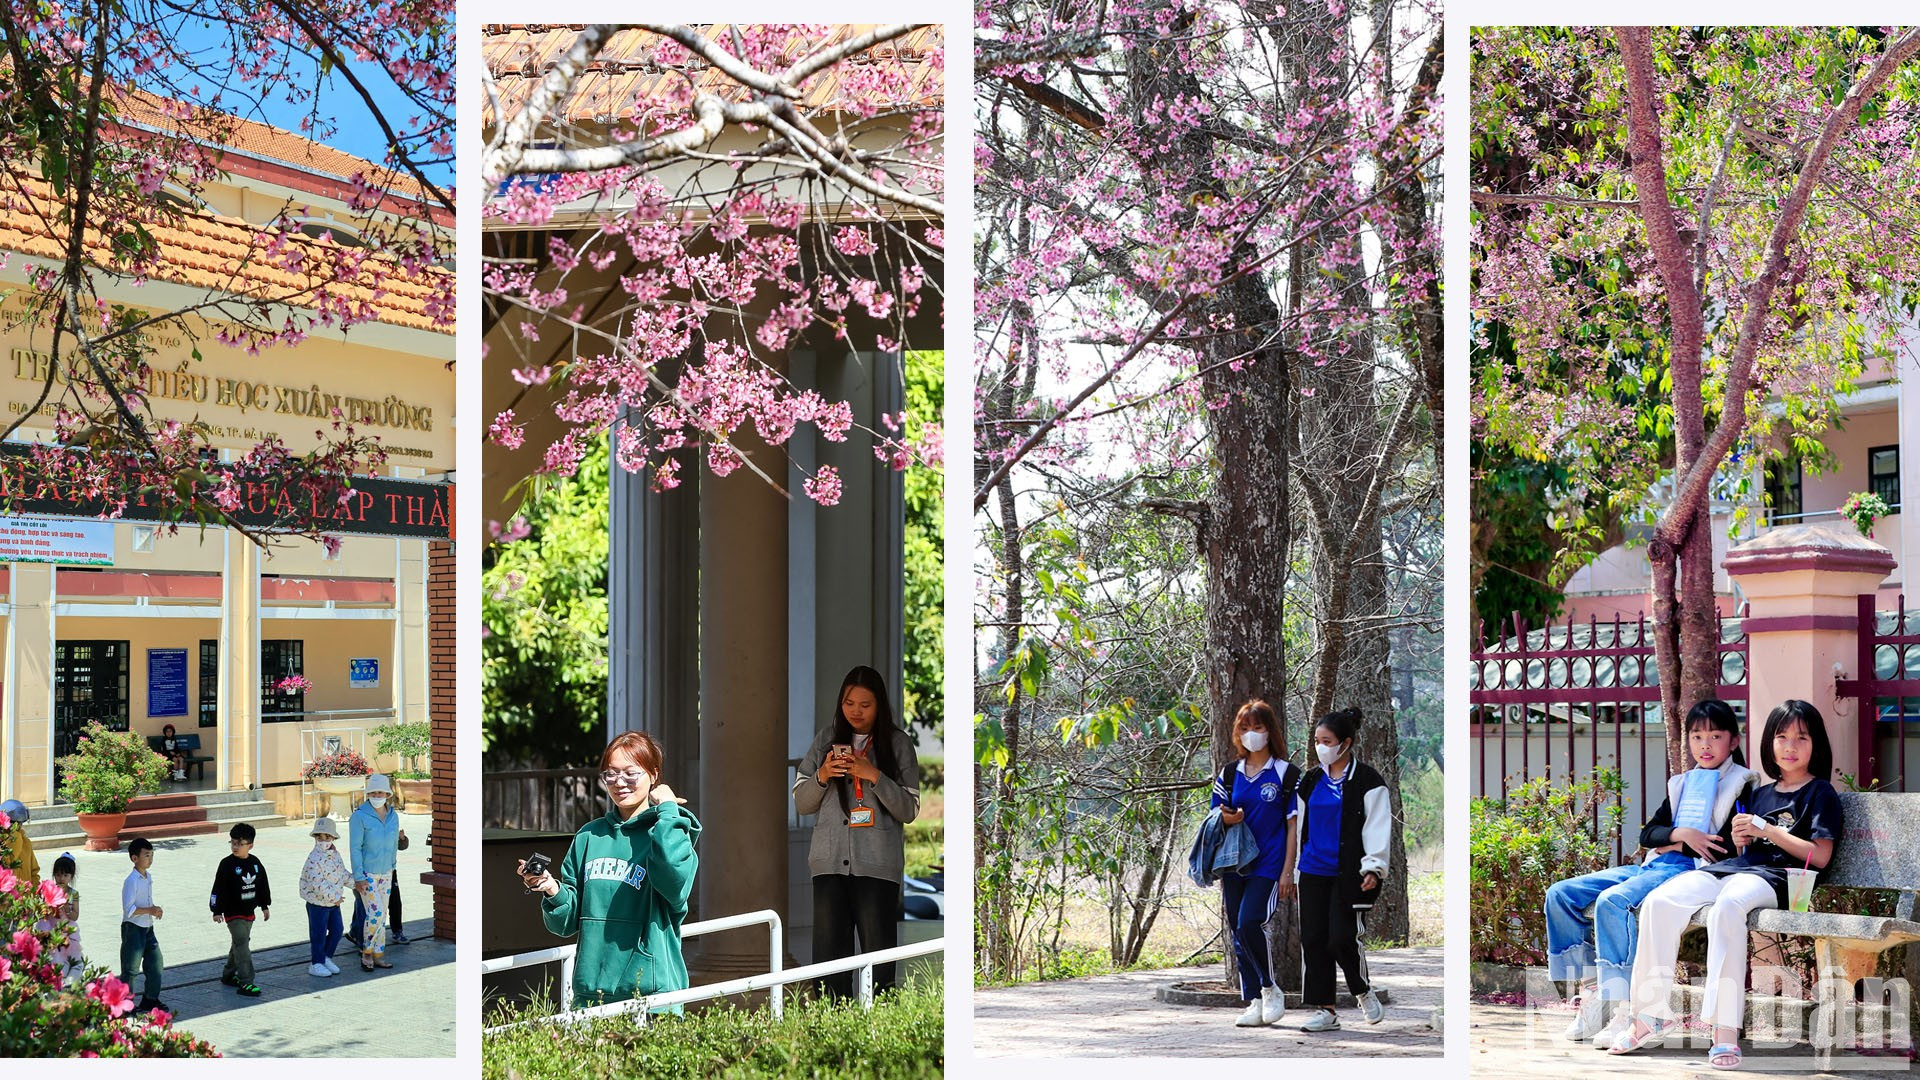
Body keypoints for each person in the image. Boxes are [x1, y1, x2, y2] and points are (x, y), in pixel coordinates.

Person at [1611, 699, 1844, 1069]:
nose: (1790, 746)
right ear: (1769, 743)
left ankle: (1724, 1031)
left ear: (1816, 745)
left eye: (1801, 738)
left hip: (1780, 878)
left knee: (1728, 908)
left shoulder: (1820, 793)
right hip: (1736, 869)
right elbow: (1743, 847)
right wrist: (1741, 835)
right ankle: (1650, 1014)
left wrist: (1767, 829)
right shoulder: (1760, 793)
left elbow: (1818, 856)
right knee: (1660, 901)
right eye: (1781, 737)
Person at [1547, 699, 1756, 1046]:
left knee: (1612, 902)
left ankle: (1622, 1007)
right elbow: (1648, 834)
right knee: (1561, 894)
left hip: (1690, 872)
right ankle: (1594, 992)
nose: (1705, 745)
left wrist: (1673, 844)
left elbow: (1723, 847)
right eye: (1696, 737)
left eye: (1715, 736)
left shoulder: (1742, 784)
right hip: (1651, 865)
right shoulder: (1684, 783)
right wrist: (1681, 834)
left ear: (1733, 741)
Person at [520, 731, 700, 1008]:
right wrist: (551, 889)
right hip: (591, 996)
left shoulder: (669, 832)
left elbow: (674, 882)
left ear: (653, 775)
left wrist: (666, 811)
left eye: (630, 773)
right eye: (610, 774)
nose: (619, 783)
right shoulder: (589, 837)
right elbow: (565, 924)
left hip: (653, 996)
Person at [793, 666, 921, 999]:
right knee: (829, 964)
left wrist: (874, 775)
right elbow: (802, 803)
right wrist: (822, 774)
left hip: (877, 867)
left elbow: (910, 809)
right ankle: (831, 1031)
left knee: (880, 964)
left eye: (865, 704)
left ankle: (880, 1034)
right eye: (850, 703)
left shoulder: (897, 743)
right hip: (829, 864)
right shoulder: (826, 739)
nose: (856, 711)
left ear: (879, 705)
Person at [1294, 707, 1392, 1032]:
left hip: (1348, 873)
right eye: (1318, 740)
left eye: (1327, 740)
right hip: (1312, 871)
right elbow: (1299, 828)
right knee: (1314, 940)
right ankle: (1326, 1010)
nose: (1321, 746)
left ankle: (1362, 990)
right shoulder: (1309, 781)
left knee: (1341, 938)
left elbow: (1377, 827)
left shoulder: (1368, 781)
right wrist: (1291, 869)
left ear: (1346, 743)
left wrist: (1374, 867)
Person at [1210, 699, 1300, 1026]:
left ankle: (1270, 988)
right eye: (1245, 728)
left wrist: (1288, 871)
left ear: (1270, 731)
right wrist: (1227, 818)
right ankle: (1253, 1001)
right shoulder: (1230, 773)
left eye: (1258, 728)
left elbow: (1293, 826)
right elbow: (1214, 814)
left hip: (1270, 865)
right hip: (1234, 865)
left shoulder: (1287, 774)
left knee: (1250, 922)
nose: (1251, 735)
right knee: (1238, 930)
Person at [349, 773, 406, 972]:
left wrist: (392, 865)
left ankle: (378, 955)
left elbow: (393, 845)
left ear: (387, 794)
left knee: (382, 916)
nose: (377, 795)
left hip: (387, 873)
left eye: (380, 792)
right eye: (373, 792)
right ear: (368, 794)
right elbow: (355, 848)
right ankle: (366, 952)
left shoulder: (393, 817)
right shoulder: (359, 817)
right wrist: (358, 877)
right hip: (367, 874)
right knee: (377, 913)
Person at [209, 821, 272, 996]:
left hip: (249, 912)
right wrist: (216, 910)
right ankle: (246, 982)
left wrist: (265, 906)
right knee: (242, 944)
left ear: (250, 845)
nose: (235, 847)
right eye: (233, 843)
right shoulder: (226, 864)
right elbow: (218, 888)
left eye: (240, 844)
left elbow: (262, 885)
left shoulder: (255, 863)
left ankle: (228, 975)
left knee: (239, 944)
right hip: (232, 913)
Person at [300, 816, 353, 978]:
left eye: (327, 837)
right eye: (319, 837)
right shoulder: (313, 859)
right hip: (317, 903)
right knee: (318, 933)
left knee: (337, 930)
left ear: (333, 838)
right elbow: (318, 883)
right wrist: (335, 897)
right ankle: (316, 962)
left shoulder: (334, 854)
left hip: (333, 903)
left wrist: (355, 883)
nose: (323, 841)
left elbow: (341, 873)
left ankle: (325, 957)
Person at [120, 836, 167, 1014]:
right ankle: (125, 1004)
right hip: (133, 928)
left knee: (155, 964)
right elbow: (129, 909)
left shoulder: (148, 877)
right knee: (131, 968)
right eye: (146, 855)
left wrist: (153, 910)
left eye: (151, 855)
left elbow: (147, 902)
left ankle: (150, 999)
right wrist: (150, 910)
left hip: (148, 927)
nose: (150, 859)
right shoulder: (131, 881)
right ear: (134, 858)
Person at [43, 852, 83, 978]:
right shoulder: (50, 890)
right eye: (59, 874)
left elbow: (75, 915)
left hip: (68, 929)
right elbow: (44, 911)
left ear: (71, 876)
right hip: (52, 927)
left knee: (70, 954)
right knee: (54, 956)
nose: (61, 878)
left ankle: (70, 978)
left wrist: (66, 908)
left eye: (65, 875)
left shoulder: (73, 894)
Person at [0, 799, 40, 883]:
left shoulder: (26, 843)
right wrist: (15, 836)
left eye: (20, 823)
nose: (18, 826)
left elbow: (34, 871)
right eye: (14, 823)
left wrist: (34, 890)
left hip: (26, 894)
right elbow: (8, 863)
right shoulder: (3, 844)